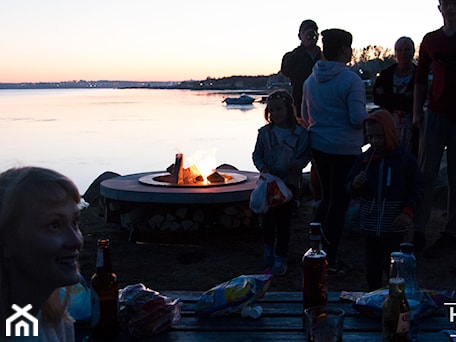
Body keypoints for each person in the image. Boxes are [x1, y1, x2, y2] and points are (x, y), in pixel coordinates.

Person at [301, 28, 368, 274]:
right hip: (345, 149)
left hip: (319, 147)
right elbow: (357, 118)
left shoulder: (310, 80)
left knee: (326, 199)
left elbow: (306, 117)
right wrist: (375, 118)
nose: (350, 52)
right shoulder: (351, 81)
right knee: (339, 202)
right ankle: (329, 259)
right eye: (349, 47)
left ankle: (315, 249)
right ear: (343, 49)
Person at [0, 166, 83, 341]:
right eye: (54, 225)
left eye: (75, 222)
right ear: (5, 242)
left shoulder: (51, 314)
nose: (75, 241)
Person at [346, 109, 423, 291]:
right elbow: (348, 187)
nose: (375, 141)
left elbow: (417, 189)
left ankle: (396, 302)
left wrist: (407, 212)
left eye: (379, 136)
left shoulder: (405, 160)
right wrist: (354, 185)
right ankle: (373, 297)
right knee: (372, 268)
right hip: (370, 225)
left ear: (389, 132)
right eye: (371, 137)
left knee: (395, 270)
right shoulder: (364, 159)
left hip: (395, 225)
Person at [412, 0, 456, 255]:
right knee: (425, 174)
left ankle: (451, 231)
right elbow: (420, 79)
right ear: (440, 7)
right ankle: (419, 229)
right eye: (447, 4)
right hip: (436, 114)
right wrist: (418, 111)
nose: (451, 8)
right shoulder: (430, 41)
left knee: (455, 177)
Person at [252, 89, 310, 276]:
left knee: (283, 223)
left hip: (289, 185)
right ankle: (268, 250)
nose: (275, 114)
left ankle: (281, 258)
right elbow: (256, 154)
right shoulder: (264, 133)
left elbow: (305, 155)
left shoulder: (300, 134)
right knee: (267, 220)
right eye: (272, 110)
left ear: (288, 109)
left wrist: (298, 165)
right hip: (268, 183)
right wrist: (262, 168)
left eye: (279, 109)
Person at [373, 36, 419, 157]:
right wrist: (404, 97)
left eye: (407, 50)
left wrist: (388, 97)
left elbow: (417, 100)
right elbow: (377, 99)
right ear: (395, 52)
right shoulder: (385, 75)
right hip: (388, 128)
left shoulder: (419, 76)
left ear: (413, 52)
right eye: (400, 50)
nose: (403, 53)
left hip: (411, 129)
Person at [281, 19, 322, 116]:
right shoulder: (291, 56)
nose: (311, 34)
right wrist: (302, 49)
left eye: (313, 31)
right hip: (300, 103)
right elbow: (286, 70)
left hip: (321, 103)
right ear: (300, 36)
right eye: (307, 31)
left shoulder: (324, 57)